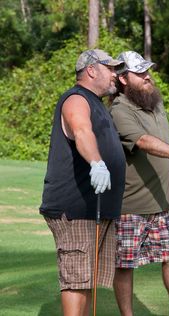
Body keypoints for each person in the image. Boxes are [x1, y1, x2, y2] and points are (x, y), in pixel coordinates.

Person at [109, 51, 169, 316]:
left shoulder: (155, 104)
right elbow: (143, 142)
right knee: (125, 265)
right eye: (139, 73)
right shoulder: (119, 110)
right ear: (124, 79)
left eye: (147, 71)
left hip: (161, 204)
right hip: (130, 206)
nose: (147, 76)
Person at [39, 49, 126, 316]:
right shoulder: (76, 99)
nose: (115, 74)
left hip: (96, 208)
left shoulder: (98, 101)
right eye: (110, 68)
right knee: (77, 281)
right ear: (91, 70)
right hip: (76, 209)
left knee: (86, 280)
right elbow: (81, 130)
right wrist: (97, 163)